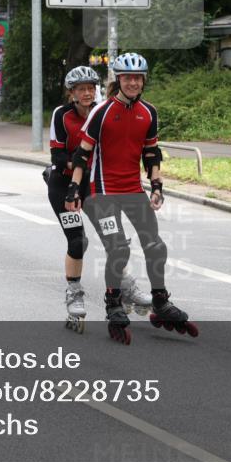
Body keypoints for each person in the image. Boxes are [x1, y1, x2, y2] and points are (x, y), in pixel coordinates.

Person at [65, 53, 197, 344]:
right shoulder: (101, 111)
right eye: (128, 78)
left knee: (156, 246)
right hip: (101, 193)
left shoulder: (148, 113)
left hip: (133, 190)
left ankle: (160, 301)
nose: (133, 82)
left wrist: (157, 186)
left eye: (138, 78)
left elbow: (151, 153)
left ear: (143, 80)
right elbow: (83, 153)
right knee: (119, 249)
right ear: (119, 80)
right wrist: (74, 189)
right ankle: (113, 303)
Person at [53, 64, 152, 335]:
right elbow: (59, 157)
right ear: (71, 92)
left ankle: (127, 285)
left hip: (94, 187)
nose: (86, 93)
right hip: (65, 187)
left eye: (90, 88)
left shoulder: (104, 110)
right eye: (80, 89)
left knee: (115, 239)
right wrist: (78, 169)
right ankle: (74, 293)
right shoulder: (61, 115)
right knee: (77, 240)